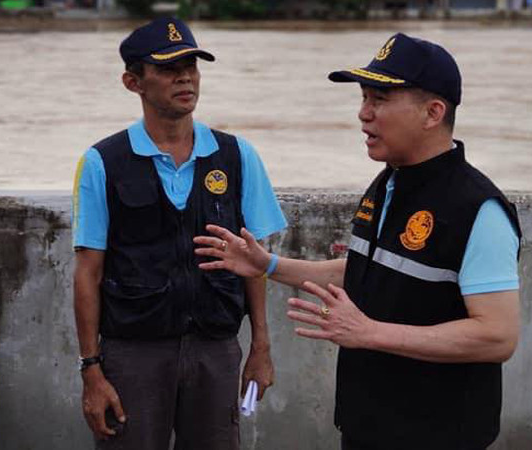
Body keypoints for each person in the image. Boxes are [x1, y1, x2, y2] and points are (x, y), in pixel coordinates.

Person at [195, 33, 522, 450]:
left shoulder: (477, 208)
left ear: (433, 112)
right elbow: (367, 271)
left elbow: (497, 335)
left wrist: (370, 332)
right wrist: (268, 266)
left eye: (380, 100)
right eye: (364, 98)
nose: (363, 114)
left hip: (437, 432)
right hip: (368, 422)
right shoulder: (388, 185)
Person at [71, 17, 287, 450]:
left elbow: (254, 260)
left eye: (191, 64)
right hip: (133, 353)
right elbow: (87, 273)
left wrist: (260, 345)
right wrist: (92, 370)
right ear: (134, 82)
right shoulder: (102, 162)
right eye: (168, 68)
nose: (185, 76)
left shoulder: (236, 155)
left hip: (216, 347)